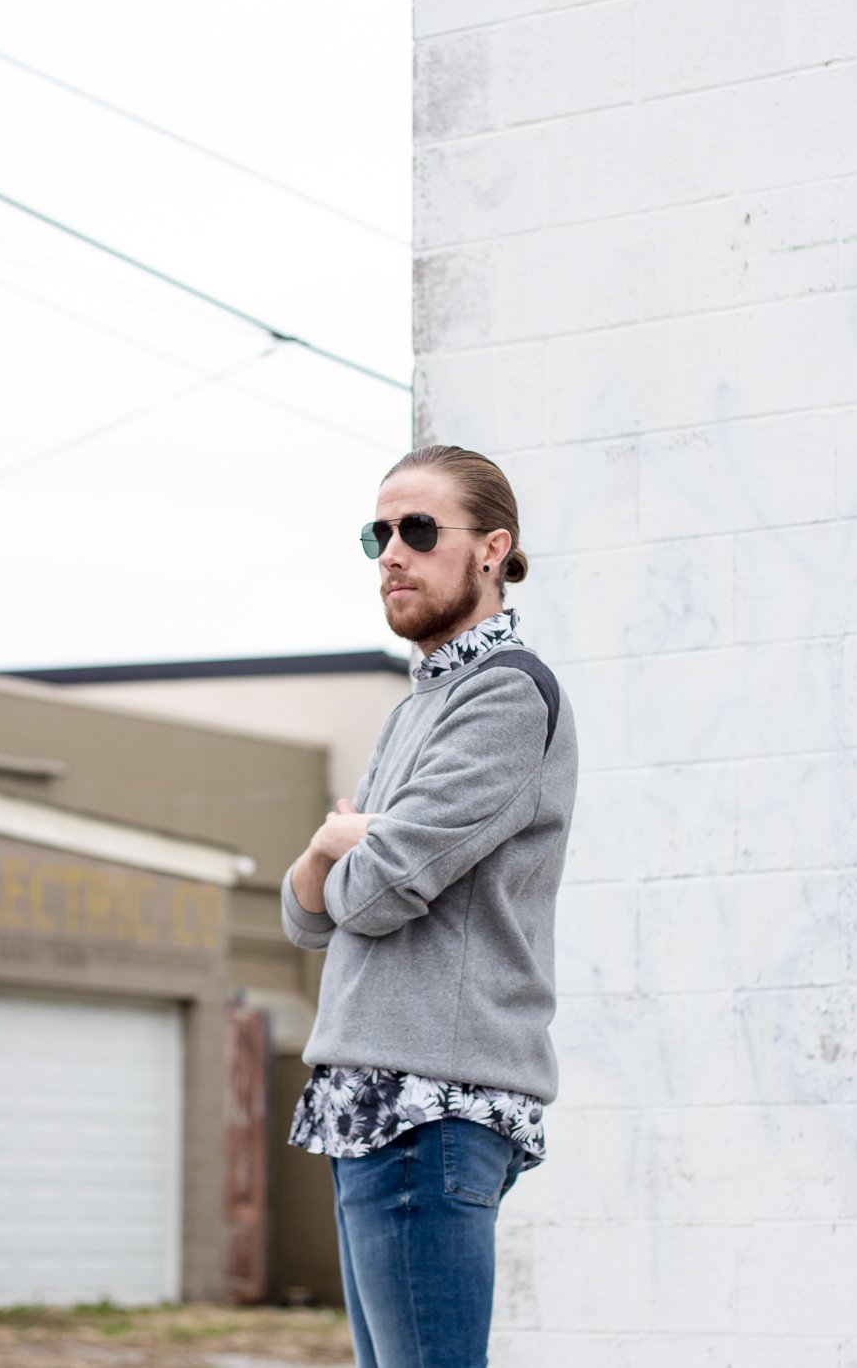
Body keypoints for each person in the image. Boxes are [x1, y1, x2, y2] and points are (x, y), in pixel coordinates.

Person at [281, 444, 578, 1368]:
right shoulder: (419, 705)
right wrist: (331, 848)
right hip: (375, 1099)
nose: (392, 554)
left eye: (418, 529)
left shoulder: (505, 699)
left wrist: (343, 847)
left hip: (429, 1104)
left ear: (493, 550)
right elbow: (305, 916)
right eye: (380, 532)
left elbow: (376, 893)